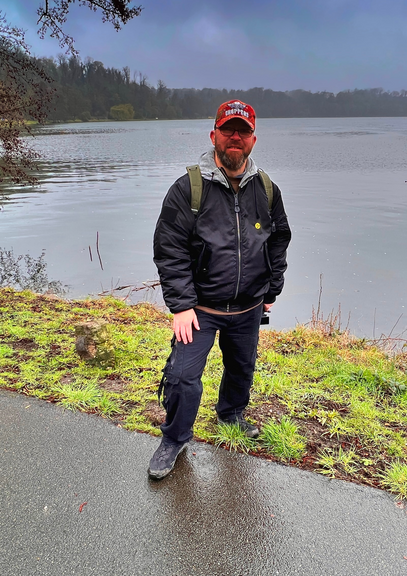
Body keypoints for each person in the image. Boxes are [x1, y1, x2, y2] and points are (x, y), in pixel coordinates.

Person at [149, 100, 291, 480]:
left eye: (243, 131)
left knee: (242, 368)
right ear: (214, 135)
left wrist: (271, 290)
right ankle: (174, 438)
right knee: (182, 377)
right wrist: (182, 306)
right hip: (200, 309)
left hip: (248, 307)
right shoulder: (188, 189)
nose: (235, 137)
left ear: (253, 140)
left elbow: (278, 240)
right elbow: (169, 248)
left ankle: (231, 414)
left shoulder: (267, 190)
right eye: (228, 130)